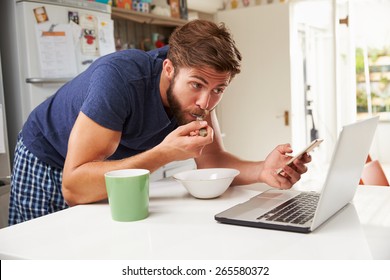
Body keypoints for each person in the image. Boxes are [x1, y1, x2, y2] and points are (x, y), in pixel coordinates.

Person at [8, 19, 310, 225]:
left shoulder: (199, 94)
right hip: (48, 158)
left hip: (102, 168)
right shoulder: (120, 79)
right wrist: (164, 153)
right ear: (169, 69)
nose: (206, 102)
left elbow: (212, 160)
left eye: (219, 89)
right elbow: (74, 187)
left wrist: (262, 170)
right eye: (197, 85)